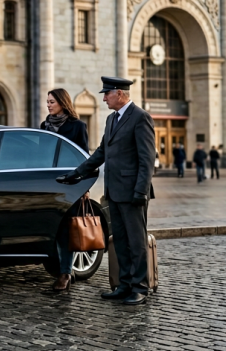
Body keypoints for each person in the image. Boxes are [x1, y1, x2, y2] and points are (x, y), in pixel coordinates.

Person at [57, 77, 155, 306]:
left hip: (133, 193)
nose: (104, 98)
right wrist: (76, 173)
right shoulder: (111, 119)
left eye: (107, 94)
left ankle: (139, 287)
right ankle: (124, 285)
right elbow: (101, 152)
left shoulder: (140, 118)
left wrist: (141, 191)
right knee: (119, 240)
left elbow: (147, 158)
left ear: (119, 94)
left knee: (136, 241)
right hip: (114, 191)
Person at [40, 88, 89, 291]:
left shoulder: (78, 126)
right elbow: (41, 155)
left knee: (66, 231)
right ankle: (60, 269)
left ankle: (65, 273)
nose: (48, 104)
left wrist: (84, 185)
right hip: (50, 185)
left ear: (62, 102)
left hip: (70, 185)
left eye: (52, 101)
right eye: (47, 101)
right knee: (52, 228)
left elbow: (84, 157)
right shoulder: (44, 125)